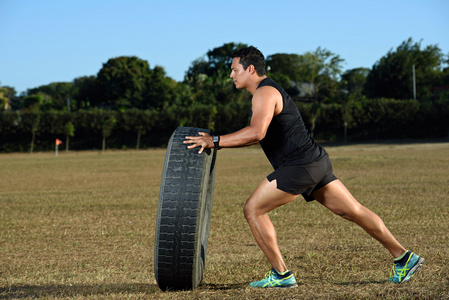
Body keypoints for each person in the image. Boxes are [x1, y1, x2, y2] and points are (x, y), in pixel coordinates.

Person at [183, 46, 424, 288]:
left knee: (253, 210)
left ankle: (281, 275)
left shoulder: (264, 93)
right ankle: (404, 257)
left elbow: (256, 133)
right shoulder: (268, 90)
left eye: (235, 70)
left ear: (251, 69)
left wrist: (214, 141)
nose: (231, 75)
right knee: (354, 211)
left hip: (300, 165)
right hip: (315, 161)